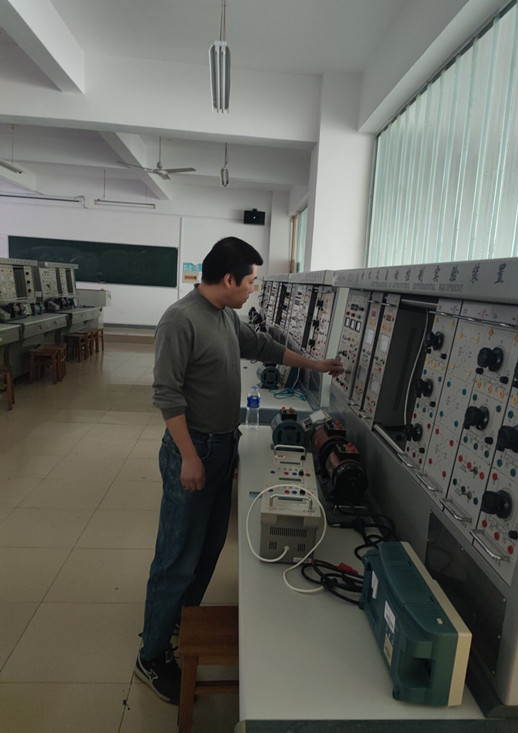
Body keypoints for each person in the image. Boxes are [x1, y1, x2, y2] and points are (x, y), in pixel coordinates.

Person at [135, 237, 343, 703]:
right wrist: (190, 457)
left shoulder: (225, 316)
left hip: (222, 445)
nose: (253, 289)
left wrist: (314, 364)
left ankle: (180, 621)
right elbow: (166, 395)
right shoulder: (180, 320)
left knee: (208, 547)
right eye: (250, 281)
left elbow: (265, 347)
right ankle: (151, 655)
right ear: (228, 279)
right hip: (195, 448)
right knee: (176, 556)